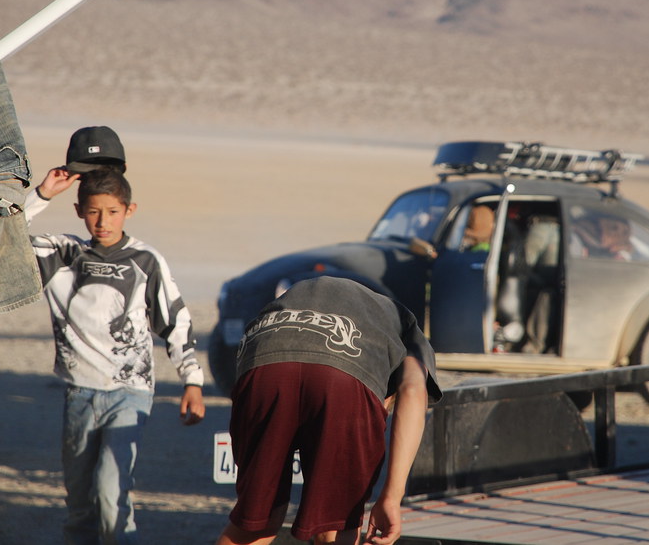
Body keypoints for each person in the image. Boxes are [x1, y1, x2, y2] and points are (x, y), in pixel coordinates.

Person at [25, 157, 206, 545]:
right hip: (79, 394)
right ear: (79, 211)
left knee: (111, 494)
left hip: (130, 393)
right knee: (80, 509)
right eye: (93, 212)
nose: (102, 222)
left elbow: (175, 322)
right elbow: (4, 239)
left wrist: (192, 381)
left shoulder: (145, 261)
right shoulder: (63, 254)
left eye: (112, 212)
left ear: (129, 210)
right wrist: (43, 194)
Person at [216, 276, 442, 545]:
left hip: (263, 361)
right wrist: (392, 497)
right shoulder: (408, 327)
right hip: (341, 376)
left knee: (257, 521)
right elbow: (413, 390)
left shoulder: (306, 296)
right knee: (335, 526)